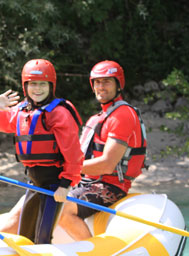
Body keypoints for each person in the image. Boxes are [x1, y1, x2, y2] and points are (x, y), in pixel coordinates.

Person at [0, 59, 83, 244]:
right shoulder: (21, 112)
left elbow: (73, 154)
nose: (38, 89)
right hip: (33, 183)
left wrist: (65, 184)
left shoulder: (59, 113)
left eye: (43, 84)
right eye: (33, 84)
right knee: (24, 235)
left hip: (54, 184)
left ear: (51, 85)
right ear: (26, 86)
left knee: (42, 236)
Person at [58, 60, 147, 241]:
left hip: (110, 187)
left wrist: (64, 167)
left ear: (118, 84)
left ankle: (89, 253)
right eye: (97, 82)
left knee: (63, 210)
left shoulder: (123, 115)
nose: (101, 86)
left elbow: (107, 165)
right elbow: (79, 158)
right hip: (84, 183)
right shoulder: (97, 118)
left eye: (106, 81)